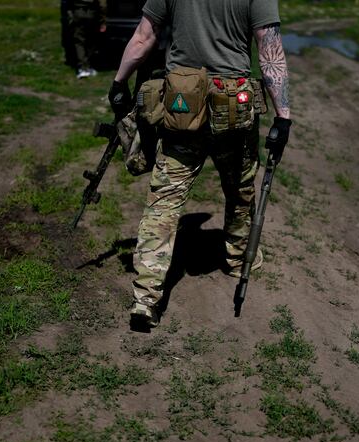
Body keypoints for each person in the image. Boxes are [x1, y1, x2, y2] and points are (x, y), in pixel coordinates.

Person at [109, 0, 291, 330]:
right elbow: (270, 51)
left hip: (182, 106)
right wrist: (283, 116)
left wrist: (119, 82)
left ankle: (145, 297)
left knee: (164, 203)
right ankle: (237, 257)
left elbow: (144, 36)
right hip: (233, 107)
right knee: (240, 189)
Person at [70, 0, 108, 78]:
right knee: (91, 41)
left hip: (78, 12)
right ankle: (88, 66)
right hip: (91, 13)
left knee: (79, 41)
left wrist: (70, 15)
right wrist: (103, 20)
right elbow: (102, 5)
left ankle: (83, 67)